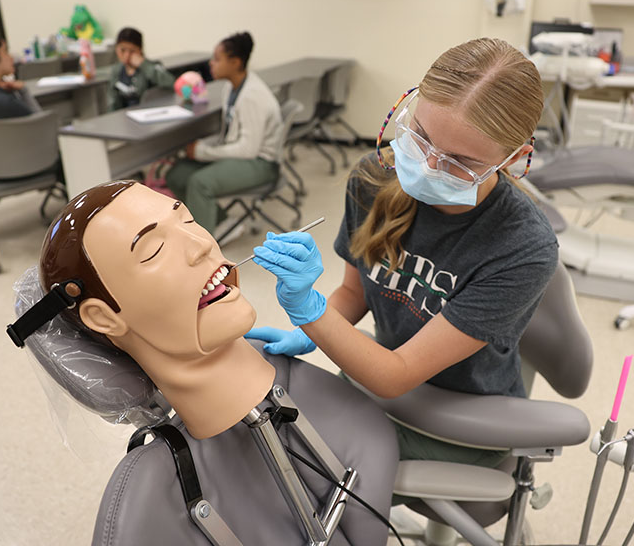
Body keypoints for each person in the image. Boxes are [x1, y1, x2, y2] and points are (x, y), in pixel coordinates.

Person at [30, 180, 397, 545]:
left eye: (187, 221)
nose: (202, 244)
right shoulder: (139, 504)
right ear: (104, 317)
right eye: (153, 250)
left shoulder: (296, 381)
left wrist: (315, 313)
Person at [248, 37, 559, 468]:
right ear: (410, 102)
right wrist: (310, 329)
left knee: (308, 468)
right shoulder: (373, 179)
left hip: (465, 417)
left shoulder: (522, 246)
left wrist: (309, 310)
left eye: (458, 161)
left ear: (513, 158)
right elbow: (356, 296)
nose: (428, 166)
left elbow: (395, 375)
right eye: (422, 137)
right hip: (373, 382)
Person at [165, 31, 283, 236]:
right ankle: (222, 225)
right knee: (177, 174)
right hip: (246, 157)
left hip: (261, 164)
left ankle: (205, 243)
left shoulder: (252, 96)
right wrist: (205, 149)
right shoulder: (230, 88)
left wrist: (204, 152)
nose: (211, 63)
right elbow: (230, 134)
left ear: (236, 62)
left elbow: (248, 149)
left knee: (200, 182)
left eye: (217, 59)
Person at [106, 27, 176, 111]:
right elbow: (113, 103)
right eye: (123, 50)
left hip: (148, 112)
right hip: (124, 116)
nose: (127, 56)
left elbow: (171, 83)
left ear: (140, 50)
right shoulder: (116, 71)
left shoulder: (151, 66)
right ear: (116, 49)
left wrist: (144, 64)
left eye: (132, 51)